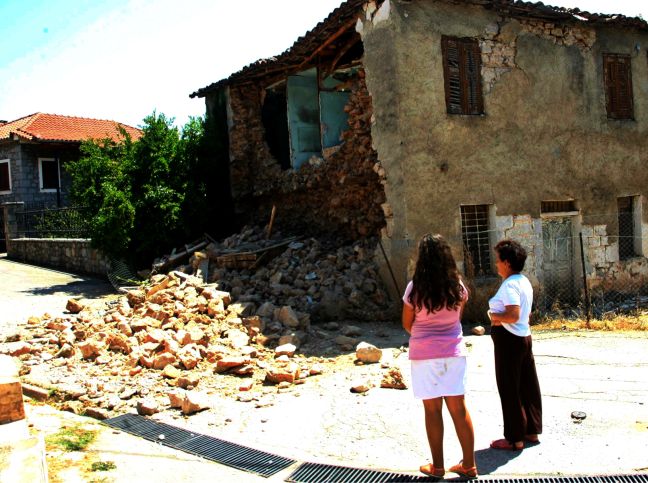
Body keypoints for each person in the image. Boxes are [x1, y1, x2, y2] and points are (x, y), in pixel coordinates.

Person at [402, 234, 477, 479]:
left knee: (432, 410)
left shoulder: (415, 287)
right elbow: (457, 318)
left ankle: (437, 467)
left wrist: (425, 338)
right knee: (459, 408)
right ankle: (469, 465)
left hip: (424, 355)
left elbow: (406, 323)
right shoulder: (458, 286)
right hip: (454, 353)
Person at [487, 239, 542, 451]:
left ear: (507, 262)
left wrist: (494, 316)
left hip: (509, 340)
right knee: (528, 385)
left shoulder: (510, 285)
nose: (496, 264)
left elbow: (512, 314)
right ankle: (531, 430)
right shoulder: (523, 281)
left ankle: (514, 438)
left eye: (499, 260)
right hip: (523, 337)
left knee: (509, 388)